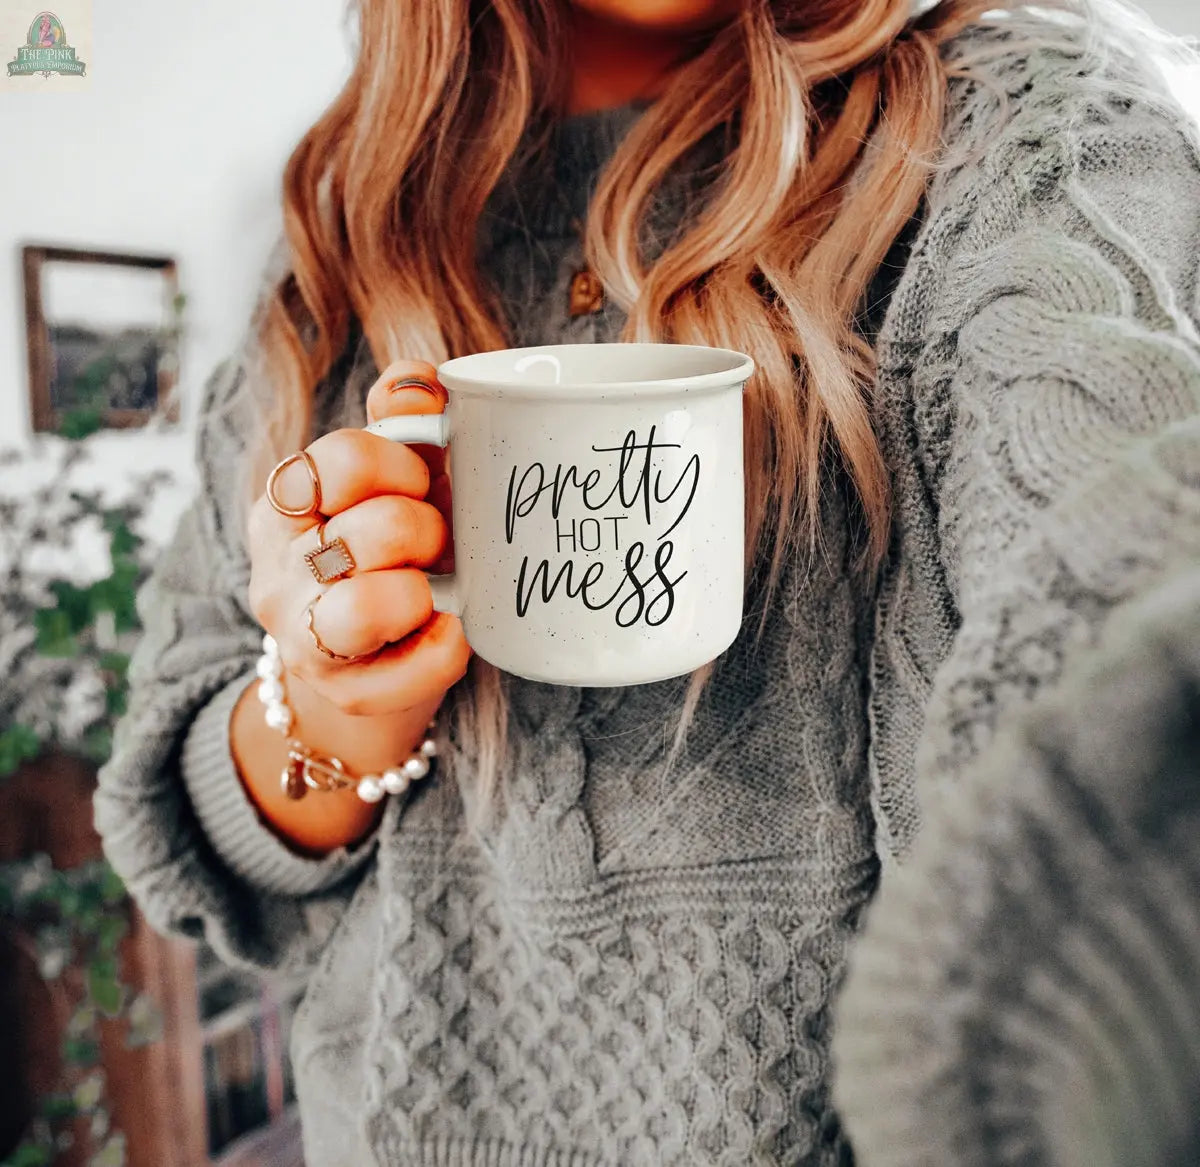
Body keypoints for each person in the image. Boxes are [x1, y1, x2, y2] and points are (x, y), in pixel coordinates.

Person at [94, 0, 1200, 1163]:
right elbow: (186, 825)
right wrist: (337, 706)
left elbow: (1118, 607)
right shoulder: (341, 247)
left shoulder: (1025, 133)